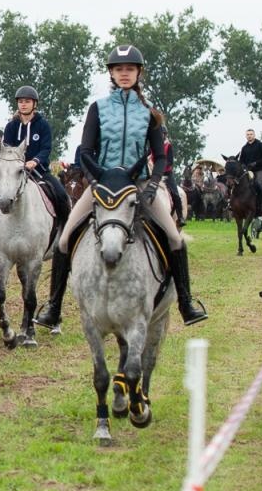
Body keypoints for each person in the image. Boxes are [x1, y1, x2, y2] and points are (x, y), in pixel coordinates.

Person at [33, 45, 208, 328]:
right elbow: (86, 151)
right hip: (103, 185)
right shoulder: (97, 109)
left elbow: (161, 157)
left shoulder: (150, 114)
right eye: (118, 70)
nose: (124, 74)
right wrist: (96, 178)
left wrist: (151, 185)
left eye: (129, 69)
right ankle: (54, 306)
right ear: (112, 74)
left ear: (139, 73)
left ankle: (186, 302)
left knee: (175, 238)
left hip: (137, 185)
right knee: (65, 239)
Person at [0, 86, 67, 255]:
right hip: (15, 174)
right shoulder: (11, 126)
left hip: (40, 172)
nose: (23, 104)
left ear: (34, 104)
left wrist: (34, 161)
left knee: (62, 196)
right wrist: (17, 164)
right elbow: (8, 149)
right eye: (21, 102)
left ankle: (64, 235)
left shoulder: (42, 125)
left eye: (27, 101)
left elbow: (46, 148)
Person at [240, 128, 262, 210]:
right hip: (248, 171)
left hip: (260, 170)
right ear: (246, 136)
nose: (249, 136)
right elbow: (241, 161)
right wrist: (243, 165)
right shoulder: (244, 148)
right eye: (248, 135)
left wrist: (256, 163)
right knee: (240, 183)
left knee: (259, 183)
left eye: (251, 134)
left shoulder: (260, 145)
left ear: (254, 135)